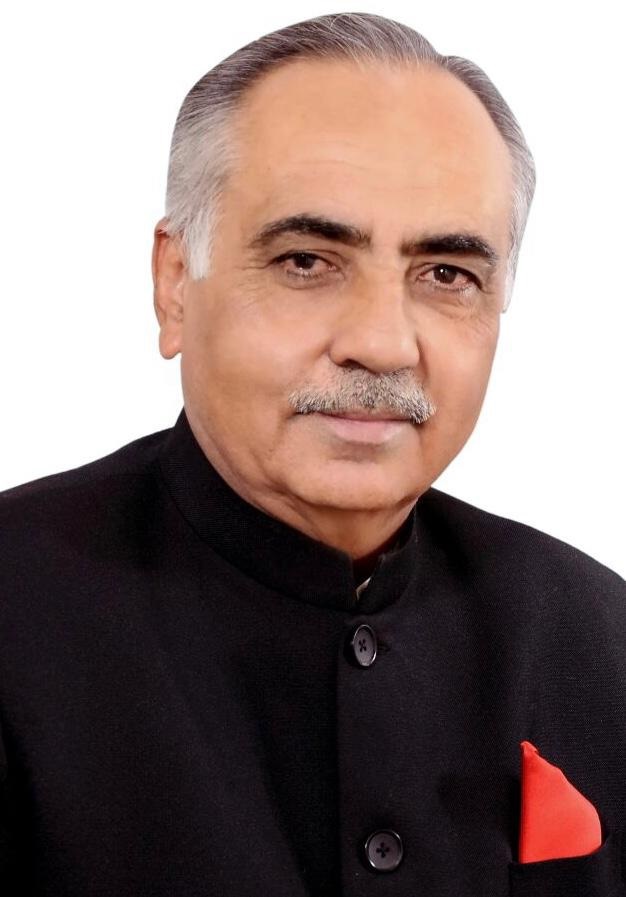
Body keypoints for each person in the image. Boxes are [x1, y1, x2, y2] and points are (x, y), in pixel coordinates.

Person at [1, 11, 624, 896]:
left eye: (446, 275)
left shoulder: (599, 637)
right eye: (306, 261)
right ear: (175, 284)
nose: (382, 343)